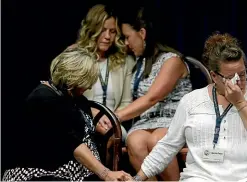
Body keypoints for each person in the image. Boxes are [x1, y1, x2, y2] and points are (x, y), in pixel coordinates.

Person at [129, 32, 247, 181]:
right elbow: (168, 146)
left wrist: (240, 103)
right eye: (230, 77)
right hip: (201, 178)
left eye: (242, 74)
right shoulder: (192, 101)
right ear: (214, 76)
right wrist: (137, 178)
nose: (238, 82)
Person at [2, 47, 132, 181]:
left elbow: (82, 122)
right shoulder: (42, 99)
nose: (89, 87)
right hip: (40, 172)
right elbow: (73, 143)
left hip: (79, 172)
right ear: (73, 78)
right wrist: (106, 174)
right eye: (86, 82)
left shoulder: (76, 98)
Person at [100, 6, 192, 181]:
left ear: (142, 33)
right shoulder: (140, 61)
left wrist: (115, 116)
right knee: (134, 141)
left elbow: (152, 97)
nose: (126, 43)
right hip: (147, 121)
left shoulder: (172, 60)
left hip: (173, 120)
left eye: (127, 37)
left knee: (157, 141)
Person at [71, 4, 135, 142]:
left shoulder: (125, 61)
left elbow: (126, 102)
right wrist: (93, 115)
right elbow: (68, 99)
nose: (107, 37)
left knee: (112, 135)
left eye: (112, 31)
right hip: (83, 118)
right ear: (91, 30)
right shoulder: (75, 56)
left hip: (114, 122)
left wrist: (111, 119)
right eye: (102, 30)